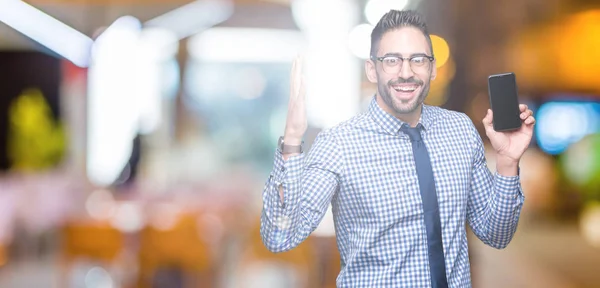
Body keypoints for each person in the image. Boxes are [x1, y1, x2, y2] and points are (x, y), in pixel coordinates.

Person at [260, 9, 535, 288]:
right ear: (372, 69)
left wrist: (507, 162)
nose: (406, 72)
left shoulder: (460, 131)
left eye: (418, 59)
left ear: (433, 67)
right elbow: (280, 237)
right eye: (392, 60)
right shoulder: (339, 144)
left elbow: (496, 234)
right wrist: (292, 141)